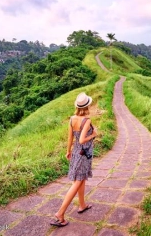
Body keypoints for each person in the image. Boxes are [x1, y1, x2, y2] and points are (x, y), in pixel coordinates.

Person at [50, 92, 97, 227]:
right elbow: (82, 140)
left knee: (81, 179)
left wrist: (68, 151)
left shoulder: (72, 119)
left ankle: (82, 205)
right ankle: (60, 213)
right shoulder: (86, 121)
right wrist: (93, 134)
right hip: (84, 154)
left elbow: (71, 138)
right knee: (77, 182)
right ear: (87, 106)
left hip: (76, 153)